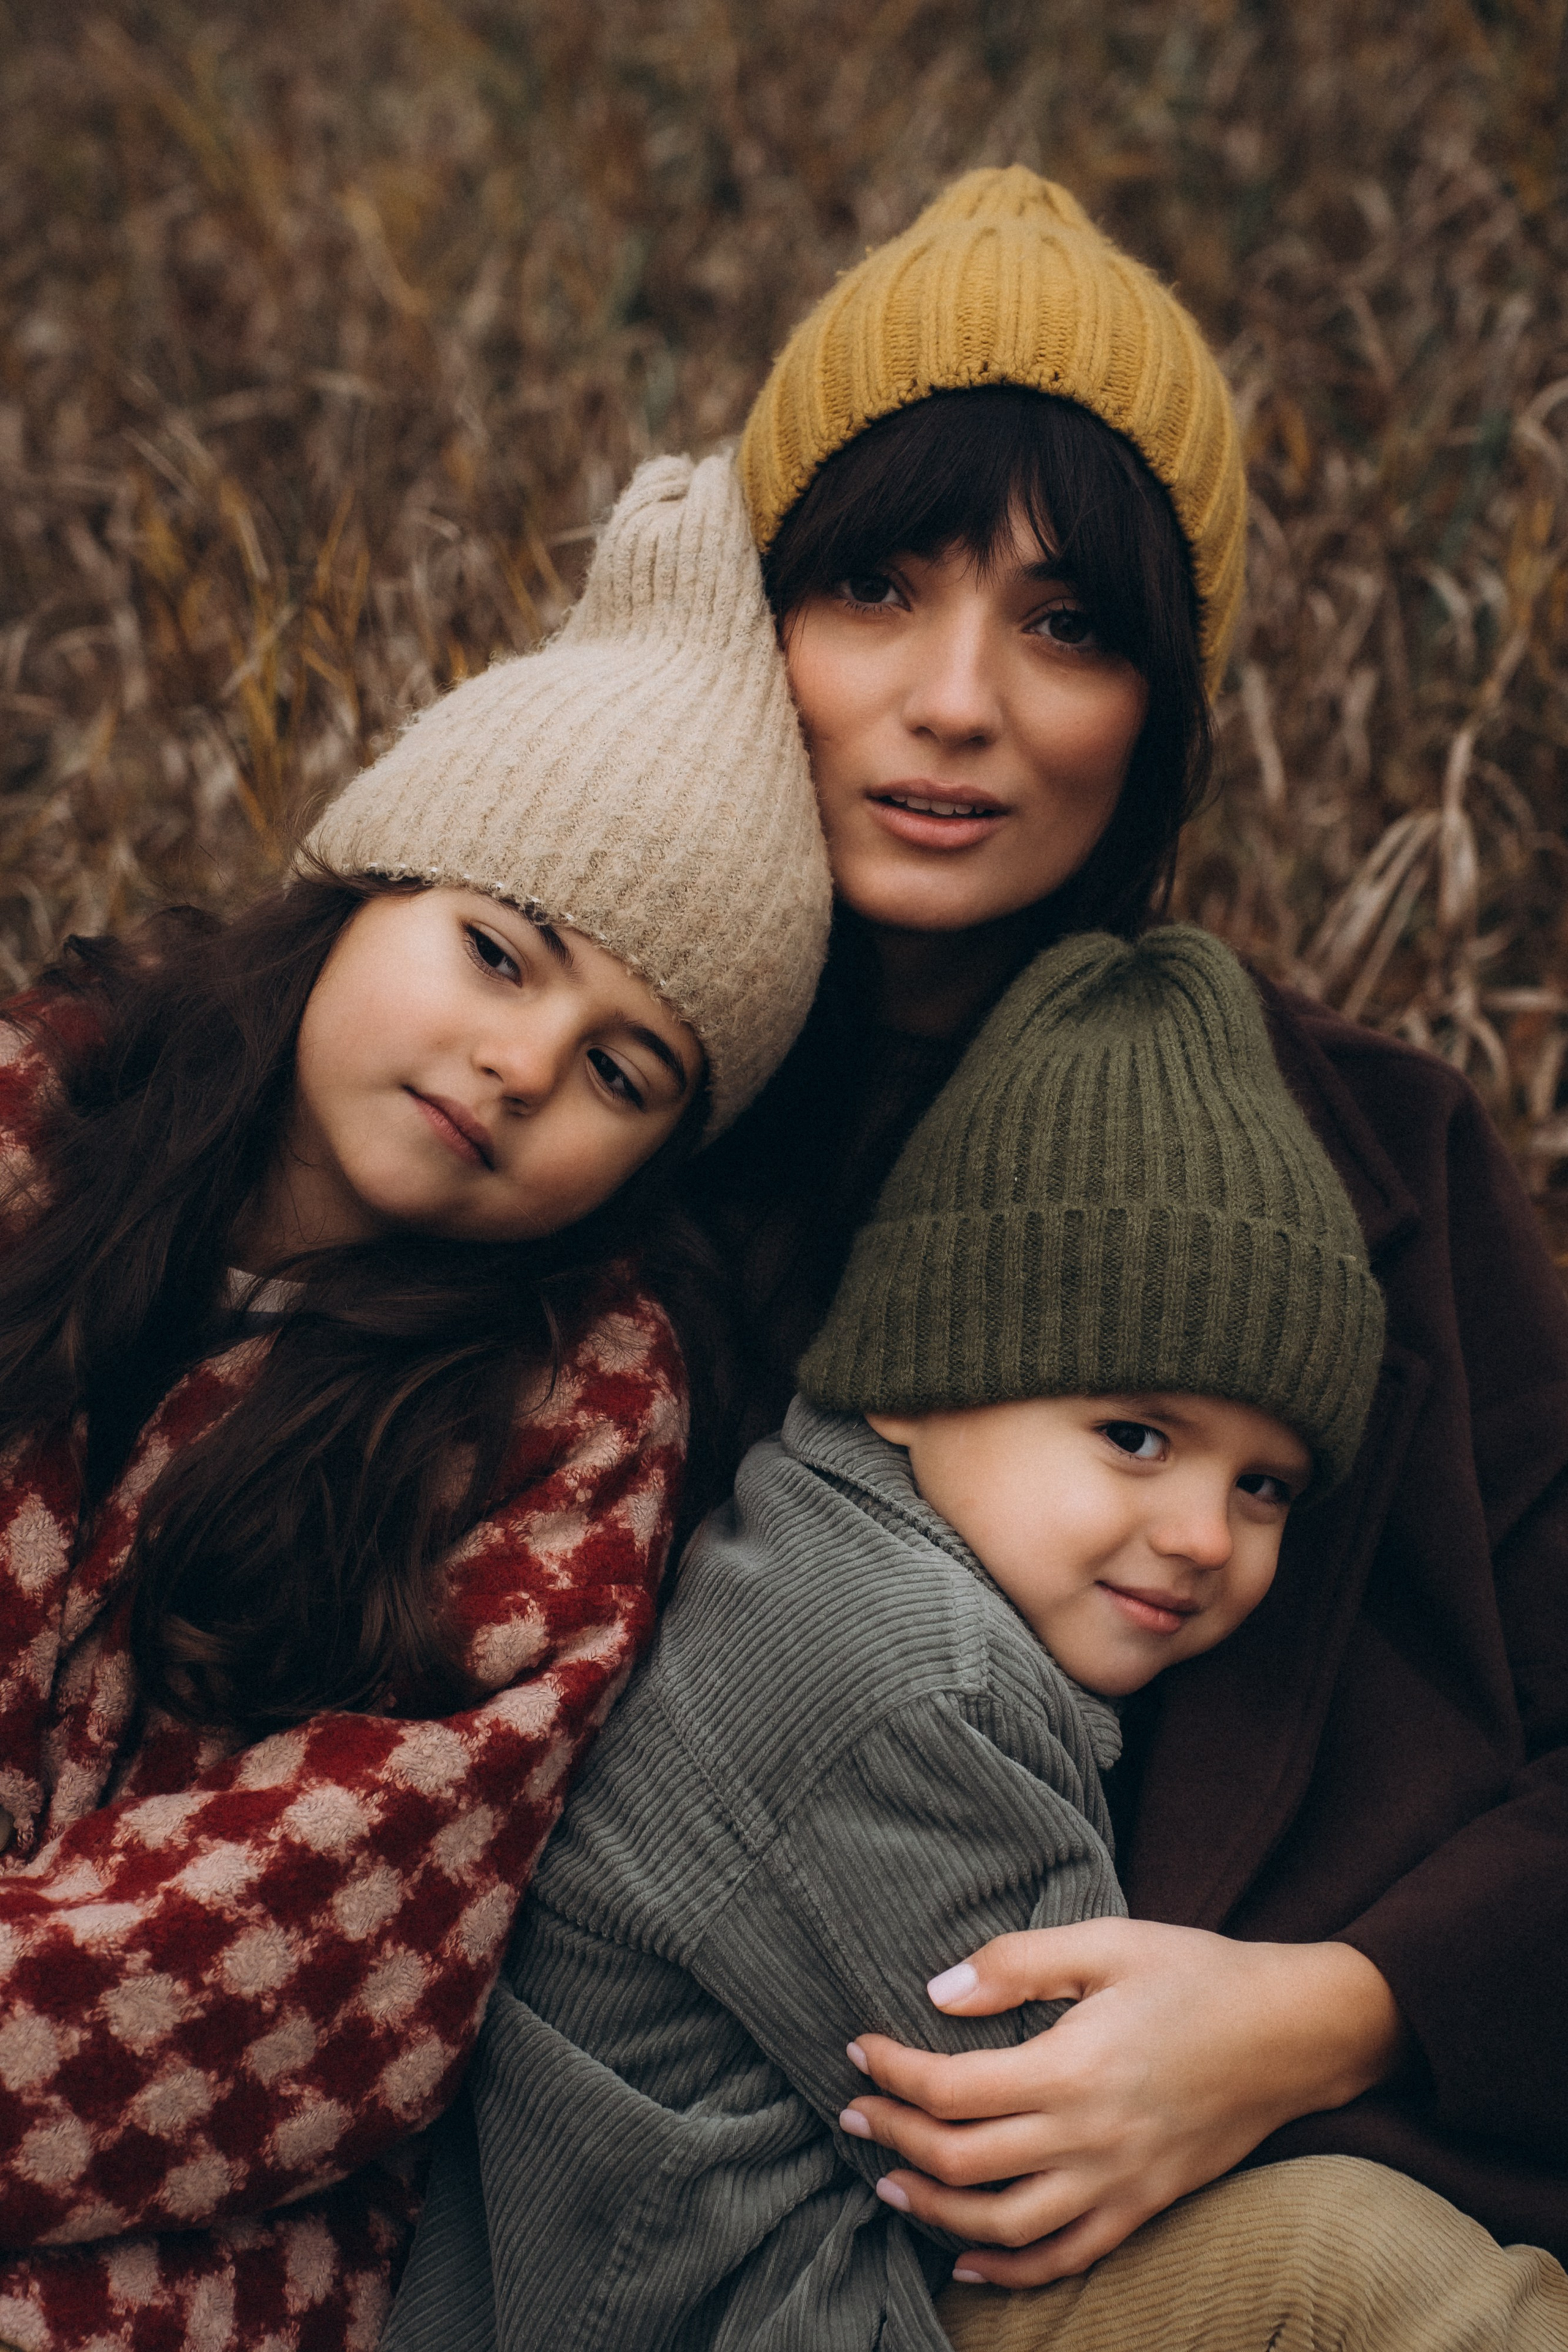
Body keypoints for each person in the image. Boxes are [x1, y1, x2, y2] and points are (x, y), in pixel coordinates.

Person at [671, 168, 1567, 2338]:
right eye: (873, 586)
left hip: (1311, 2223)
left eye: (1070, 624)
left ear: (1163, 705)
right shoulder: (582, 1114)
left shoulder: (1379, 1157)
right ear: (749, 626)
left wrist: (1324, 2017)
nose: (957, 699)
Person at [0, 452, 829, 2351]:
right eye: (496, 950)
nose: (523, 1062)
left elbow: (307, 1958)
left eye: (626, 1070)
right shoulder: (42, 1123)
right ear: (369, 886)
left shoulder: (571, 1417)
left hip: (175, 2252)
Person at [383, 921, 1469, 2351]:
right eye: (1134, 1436)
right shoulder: (903, 1671)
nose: (1205, 1534)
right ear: (911, 1380)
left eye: (1262, 1486)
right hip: (770, 2318)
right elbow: (1057, 2123)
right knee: (1357, 2265)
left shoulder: (817, 1544)